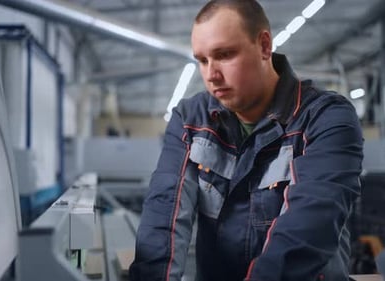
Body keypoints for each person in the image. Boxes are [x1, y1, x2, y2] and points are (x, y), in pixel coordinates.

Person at [129, 0, 363, 280]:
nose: (211, 75)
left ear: (264, 46)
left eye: (224, 54)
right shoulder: (191, 120)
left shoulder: (325, 119)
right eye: (202, 60)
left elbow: (309, 227)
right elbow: (164, 213)